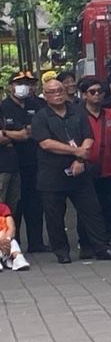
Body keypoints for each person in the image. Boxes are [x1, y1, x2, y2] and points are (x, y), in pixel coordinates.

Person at [30, 77, 111, 264]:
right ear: (45, 95)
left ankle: (101, 248)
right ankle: (61, 251)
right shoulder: (40, 116)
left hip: (79, 171)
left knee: (92, 211)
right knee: (54, 216)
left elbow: (89, 137)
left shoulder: (78, 112)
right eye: (52, 92)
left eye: (60, 91)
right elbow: (46, 143)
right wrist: (75, 150)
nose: (57, 95)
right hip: (52, 175)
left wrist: (80, 158)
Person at [0, 71, 41, 253]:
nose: (25, 87)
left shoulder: (37, 105)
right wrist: (14, 135)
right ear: (10, 86)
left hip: (35, 163)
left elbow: (35, 131)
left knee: (35, 204)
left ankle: (37, 242)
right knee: (11, 207)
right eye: (20, 83)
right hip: (9, 165)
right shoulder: (4, 107)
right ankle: (11, 242)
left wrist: (11, 134)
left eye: (29, 83)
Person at [80, 79, 111, 243]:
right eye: (92, 92)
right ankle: (86, 242)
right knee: (87, 207)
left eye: (100, 91)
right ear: (84, 95)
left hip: (110, 166)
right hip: (87, 167)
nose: (97, 94)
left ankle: (110, 237)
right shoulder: (78, 115)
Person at [0, 200, 26, 270]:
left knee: (13, 242)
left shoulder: (3, 208)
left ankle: (18, 258)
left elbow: (11, 227)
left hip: (4, 239)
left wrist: (6, 240)